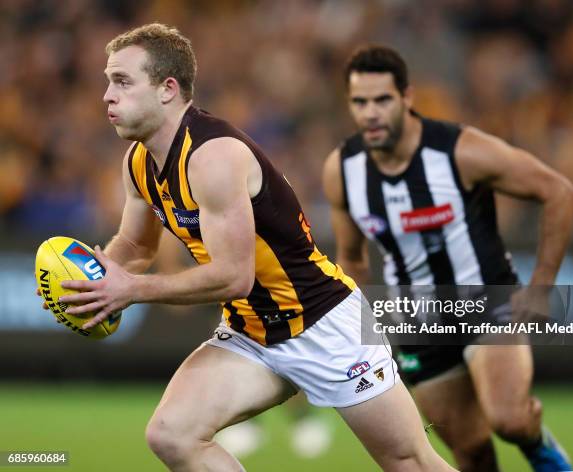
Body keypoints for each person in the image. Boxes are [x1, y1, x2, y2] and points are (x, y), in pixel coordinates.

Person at [37, 25, 456, 472]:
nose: (106, 95)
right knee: (172, 435)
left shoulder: (214, 156)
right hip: (251, 333)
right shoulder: (138, 161)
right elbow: (136, 244)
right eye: (107, 80)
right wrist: (92, 284)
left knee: (411, 463)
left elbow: (234, 275)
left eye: (122, 81)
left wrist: (130, 289)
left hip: (325, 325)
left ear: (167, 89)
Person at [322, 45, 573, 472]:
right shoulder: (343, 170)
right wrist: (360, 331)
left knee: (509, 419)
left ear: (407, 97)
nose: (370, 113)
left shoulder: (461, 151)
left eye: (381, 100)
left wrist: (540, 289)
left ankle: (540, 447)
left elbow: (559, 192)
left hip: (486, 301)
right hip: (416, 319)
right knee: (471, 452)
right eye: (359, 102)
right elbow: (352, 259)